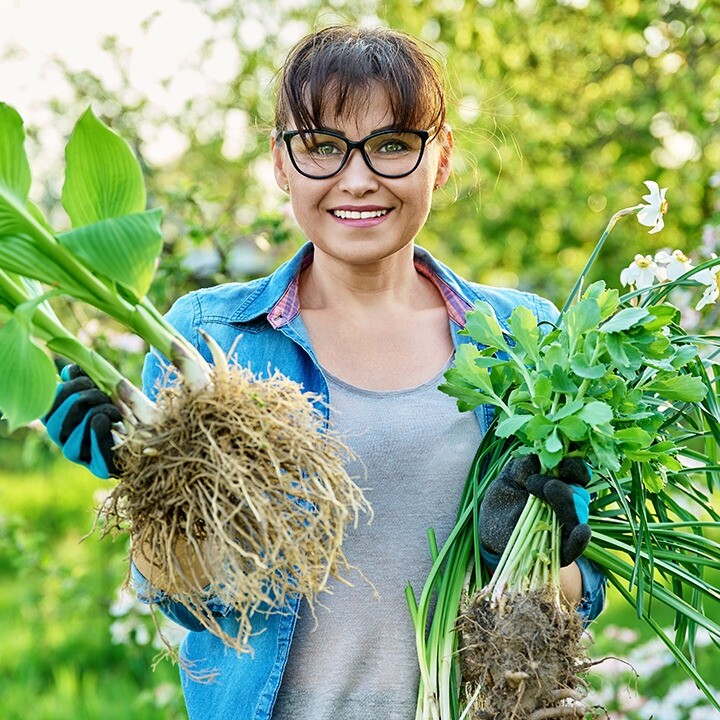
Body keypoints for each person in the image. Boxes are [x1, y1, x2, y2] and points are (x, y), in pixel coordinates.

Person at [44, 25, 606, 720]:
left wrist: (534, 554)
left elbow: (588, 592)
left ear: (443, 156)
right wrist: (152, 489)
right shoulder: (209, 337)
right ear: (281, 163)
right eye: (322, 147)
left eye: (394, 144)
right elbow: (180, 599)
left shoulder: (528, 340)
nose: (359, 177)